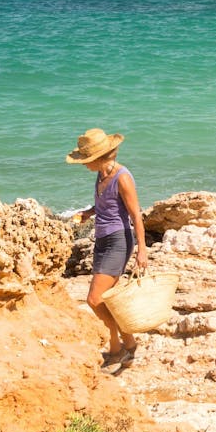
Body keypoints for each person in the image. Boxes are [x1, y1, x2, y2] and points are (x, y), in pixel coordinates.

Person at [66, 127, 148, 369]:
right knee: (105, 300)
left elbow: (136, 214)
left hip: (119, 241)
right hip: (102, 240)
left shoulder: (122, 177)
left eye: (86, 160)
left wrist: (142, 250)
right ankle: (128, 346)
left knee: (94, 299)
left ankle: (118, 346)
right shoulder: (102, 175)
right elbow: (104, 204)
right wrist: (88, 213)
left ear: (100, 157)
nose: (84, 165)